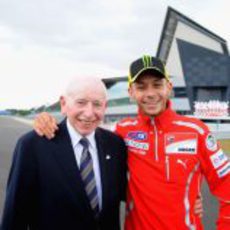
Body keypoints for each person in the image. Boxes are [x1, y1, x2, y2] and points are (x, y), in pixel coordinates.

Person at [31, 56, 209, 229]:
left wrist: (190, 195)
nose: (150, 93)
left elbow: (225, 183)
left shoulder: (196, 130)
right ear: (131, 92)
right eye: (141, 87)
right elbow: (113, 182)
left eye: (157, 85)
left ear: (168, 87)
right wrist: (45, 119)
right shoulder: (120, 133)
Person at [0, 76, 127, 230]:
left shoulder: (115, 145)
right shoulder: (33, 145)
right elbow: (15, 213)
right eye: (81, 102)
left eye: (97, 104)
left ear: (105, 107)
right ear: (64, 104)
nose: (89, 113)